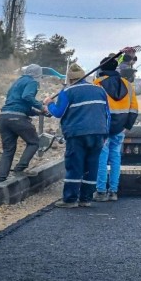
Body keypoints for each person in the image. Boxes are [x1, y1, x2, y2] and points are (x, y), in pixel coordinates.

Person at [44, 63, 110, 208]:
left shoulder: (67, 92)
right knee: (91, 167)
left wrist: (49, 103)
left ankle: (70, 200)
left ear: (70, 78)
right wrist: (105, 134)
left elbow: (58, 112)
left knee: (75, 166)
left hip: (77, 134)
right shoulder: (99, 90)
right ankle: (85, 199)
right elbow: (107, 113)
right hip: (99, 133)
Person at [92, 56, 139, 202]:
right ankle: (113, 191)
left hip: (103, 127)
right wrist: (127, 126)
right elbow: (134, 108)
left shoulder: (97, 84)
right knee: (115, 158)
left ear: (102, 68)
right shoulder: (127, 84)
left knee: (102, 158)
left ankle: (100, 191)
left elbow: (95, 108)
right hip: (120, 128)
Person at [0, 64, 44, 183]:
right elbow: (27, 96)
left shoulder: (17, 83)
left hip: (4, 117)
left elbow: (19, 104)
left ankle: (0, 179)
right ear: (38, 74)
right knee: (34, 142)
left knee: (8, 149)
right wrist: (41, 106)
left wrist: (39, 113)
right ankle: (19, 169)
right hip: (18, 118)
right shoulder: (32, 82)